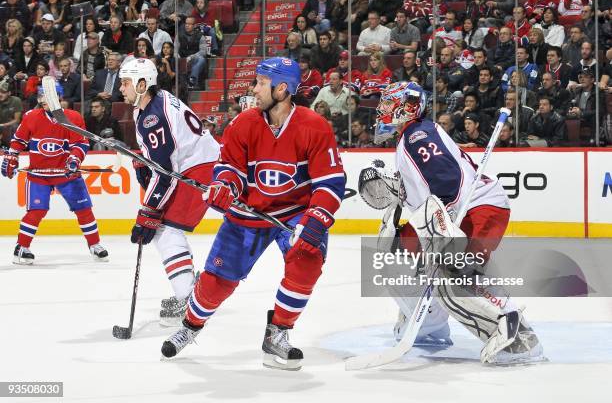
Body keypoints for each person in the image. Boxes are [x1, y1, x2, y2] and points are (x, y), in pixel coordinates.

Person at [160, 57, 346, 371]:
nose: (254, 88)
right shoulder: (243, 123)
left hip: (294, 213)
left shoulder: (314, 126)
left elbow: (330, 182)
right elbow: (229, 169)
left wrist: (316, 220)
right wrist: (224, 188)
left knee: (307, 259)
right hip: (248, 212)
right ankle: (190, 326)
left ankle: (278, 334)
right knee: (218, 280)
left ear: (282, 88)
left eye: (261, 82)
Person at [372, 81, 543, 364]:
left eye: (389, 104)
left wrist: (445, 229)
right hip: (462, 211)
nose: (383, 111)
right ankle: (431, 325)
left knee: (454, 275)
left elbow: (447, 179)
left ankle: (520, 339)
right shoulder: (411, 138)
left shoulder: (417, 136)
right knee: (396, 247)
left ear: (408, 106)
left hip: (478, 208)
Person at [118, 58, 220, 325]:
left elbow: (165, 173)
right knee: (165, 229)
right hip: (196, 163)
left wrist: (148, 211)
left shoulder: (152, 116)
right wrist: (146, 160)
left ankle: (189, 299)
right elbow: (164, 157)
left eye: (126, 82)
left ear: (143, 84)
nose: (122, 88)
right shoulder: (152, 102)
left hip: (199, 168)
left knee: (165, 230)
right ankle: (189, 290)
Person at [1, 81, 109, 264]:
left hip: (66, 174)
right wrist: (12, 156)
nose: (43, 99)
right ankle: (22, 248)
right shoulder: (31, 116)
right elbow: (18, 140)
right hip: (39, 174)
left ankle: (94, 245)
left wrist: (74, 159)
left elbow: (81, 144)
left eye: (48, 95)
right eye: (41, 95)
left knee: (83, 209)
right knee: (37, 210)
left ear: (59, 97)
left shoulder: (73, 117)